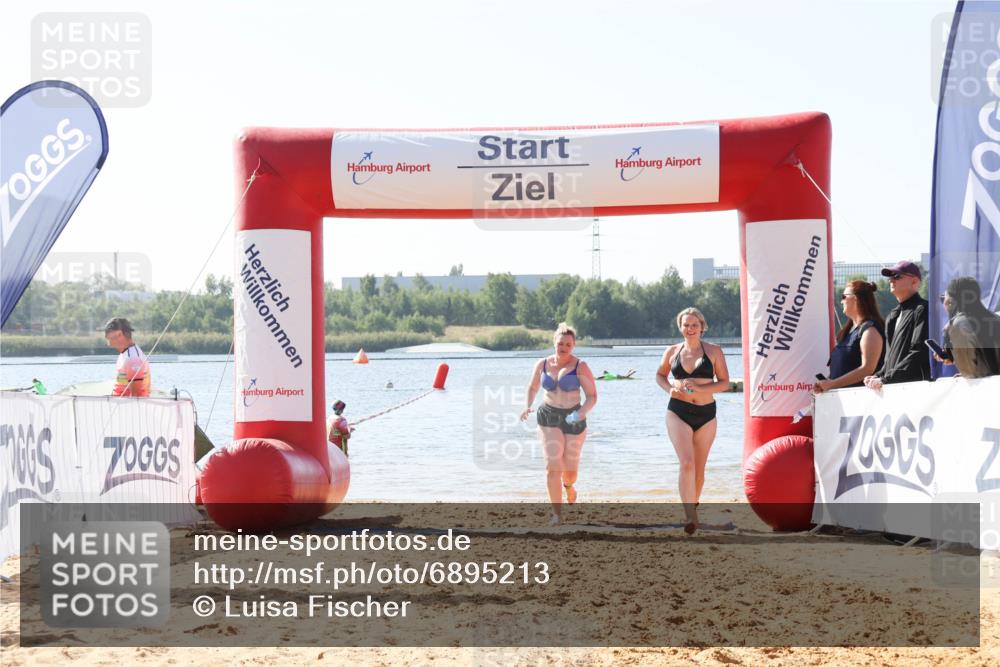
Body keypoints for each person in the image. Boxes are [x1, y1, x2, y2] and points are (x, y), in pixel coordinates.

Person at [655, 307, 730, 534]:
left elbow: (724, 383)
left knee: (698, 469)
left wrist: (699, 386)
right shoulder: (672, 351)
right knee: (686, 463)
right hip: (678, 411)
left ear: (702, 327)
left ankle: (693, 507)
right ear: (680, 327)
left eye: (694, 325)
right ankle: (690, 516)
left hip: (707, 414)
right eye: (686, 325)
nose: (690, 329)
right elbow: (660, 375)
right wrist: (669, 389)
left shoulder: (714, 351)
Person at [520, 323, 597, 525]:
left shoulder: (581, 366)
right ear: (554, 342)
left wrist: (580, 413)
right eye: (560, 343)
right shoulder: (542, 364)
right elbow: (533, 386)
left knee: (570, 471)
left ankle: (569, 487)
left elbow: (592, 396)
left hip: (574, 418)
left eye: (568, 345)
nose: (563, 347)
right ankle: (557, 514)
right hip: (549, 415)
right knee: (553, 466)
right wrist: (527, 406)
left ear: (573, 346)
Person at [863, 260, 930, 390]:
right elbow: (890, 357)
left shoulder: (922, 309)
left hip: (915, 390)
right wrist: (879, 375)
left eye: (897, 276)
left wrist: (885, 378)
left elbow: (919, 352)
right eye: (890, 277)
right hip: (893, 388)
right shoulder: (893, 315)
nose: (891, 280)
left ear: (915, 282)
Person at [814, 281, 885, 393]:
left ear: (856, 299)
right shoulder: (848, 331)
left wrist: (832, 384)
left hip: (861, 401)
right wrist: (826, 383)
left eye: (844, 297)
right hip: (842, 400)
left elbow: (867, 369)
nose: (841, 301)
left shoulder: (870, 331)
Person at [937, 276, 1000, 378]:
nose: (944, 303)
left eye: (943, 299)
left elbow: (969, 370)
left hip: (984, 388)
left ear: (951, 302)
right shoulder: (995, 318)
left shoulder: (958, 325)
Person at [104, 317, 150, 397]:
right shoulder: (125, 353)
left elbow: (137, 396)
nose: (106, 336)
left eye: (108, 332)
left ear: (119, 334)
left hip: (126, 408)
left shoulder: (132, 358)